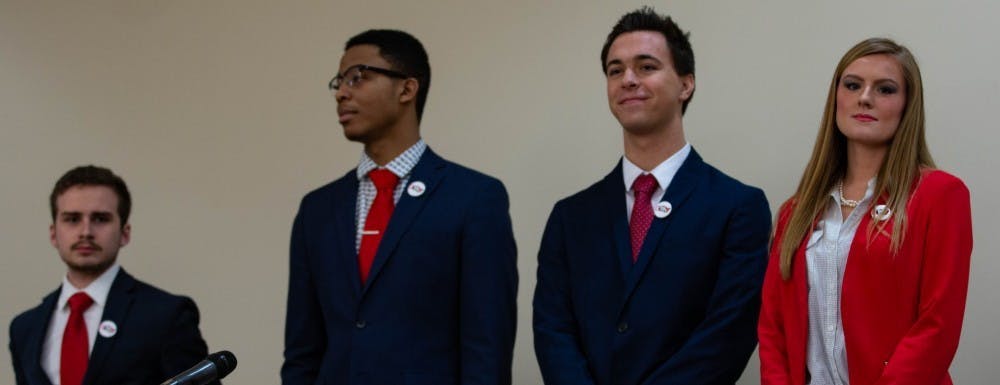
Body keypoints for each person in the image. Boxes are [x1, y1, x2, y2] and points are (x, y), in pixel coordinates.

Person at [532, 7, 771, 385]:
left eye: (646, 67)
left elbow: (728, 333)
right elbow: (553, 330)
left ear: (686, 84)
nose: (628, 79)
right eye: (615, 70)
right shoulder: (570, 216)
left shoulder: (737, 207)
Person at [281, 29, 518, 385]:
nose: (342, 93)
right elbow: (303, 351)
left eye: (357, 78)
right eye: (339, 82)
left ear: (407, 89)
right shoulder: (318, 209)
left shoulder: (473, 198)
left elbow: (487, 345)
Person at [758, 38, 973, 385]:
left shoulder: (940, 195)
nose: (865, 97)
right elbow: (773, 327)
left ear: (907, 106)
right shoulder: (795, 212)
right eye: (853, 85)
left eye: (885, 89)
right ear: (836, 98)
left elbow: (938, 326)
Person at [9, 165, 216, 385]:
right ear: (53, 234)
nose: (85, 232)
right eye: (72, 219)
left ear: (124, 233)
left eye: (100, 219)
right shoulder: (25, 328)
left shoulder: (166, 315)